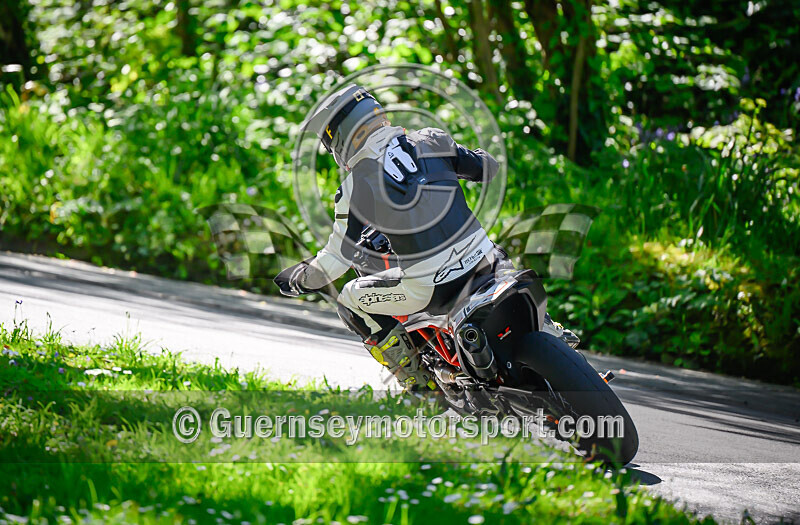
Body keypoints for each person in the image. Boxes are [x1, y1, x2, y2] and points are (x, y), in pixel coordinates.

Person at [274, 84, 505, 389]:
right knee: (506, 268)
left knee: (349, 300)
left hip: (432, 289)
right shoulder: (432, 138)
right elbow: (487, 168)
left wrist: (298, 280)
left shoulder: (354, 186)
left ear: (342, 140)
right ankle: (549, 328)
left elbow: (336, 260)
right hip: (484, 260)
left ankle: (421, 384)